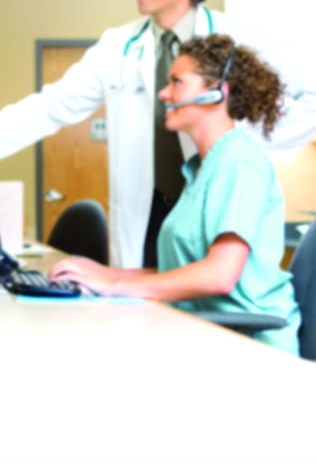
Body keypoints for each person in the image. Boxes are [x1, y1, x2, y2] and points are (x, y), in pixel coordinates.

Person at [0, 0, 316, 269]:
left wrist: (245, 142)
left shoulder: (240, 39)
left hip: (213, 205)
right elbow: (55, 104)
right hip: (145, 214)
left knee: (210, 302)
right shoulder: (118, 45)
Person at [50, 34, 301, 355]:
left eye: (177, 82)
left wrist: (115, 286)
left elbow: (220, 275)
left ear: (215, 93)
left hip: (249, 345)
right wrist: (104, 273)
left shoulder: (239, 163)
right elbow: (184, 269)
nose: (163, 93)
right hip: (205, 331)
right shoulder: (202, 167)